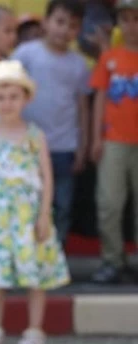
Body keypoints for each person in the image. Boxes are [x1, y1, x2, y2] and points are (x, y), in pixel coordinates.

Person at [0, 61, 70, 344]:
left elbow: (46, 177)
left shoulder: (35, 136)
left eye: (13, 96)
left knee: (35, 273)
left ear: (25, 98)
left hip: (27, 215)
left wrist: (44, 214)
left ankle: (35, 330)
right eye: (0, 97)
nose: (7, 103)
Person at [12, 0, 91, 245]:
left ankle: (55, 258)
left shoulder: (79, 65)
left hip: (64, 147)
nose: (64, 29)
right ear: (45, 22)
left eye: (72, 25)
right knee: (27, 202)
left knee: (61, 205)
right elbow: (8, 93)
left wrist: (82, 147)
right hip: (27, 145)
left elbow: (82, 108)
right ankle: (27, 255)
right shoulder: (26, 54)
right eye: (59, 21)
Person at [89, 0, 138, 285]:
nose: (132, 26)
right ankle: (112, 259)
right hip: (114, 141)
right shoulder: (110, 57)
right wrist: (96, 137)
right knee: (109, 203)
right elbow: (99, 100)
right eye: (126, 19)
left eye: (137, 19)